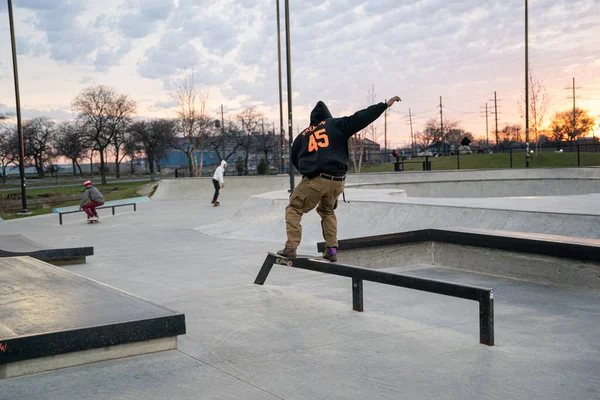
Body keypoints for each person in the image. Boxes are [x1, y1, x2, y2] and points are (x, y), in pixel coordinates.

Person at [278, 96, 402, 261]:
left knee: (294, 208)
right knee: (327, 211)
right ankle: (331, 249)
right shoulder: (336, 124)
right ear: (327, 115)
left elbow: (294, 158)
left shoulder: (302, 136)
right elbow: (361, 117)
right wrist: (384, 105)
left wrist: (307, 170)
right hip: (337, 181)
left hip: (315, 180)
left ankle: (291, 248)